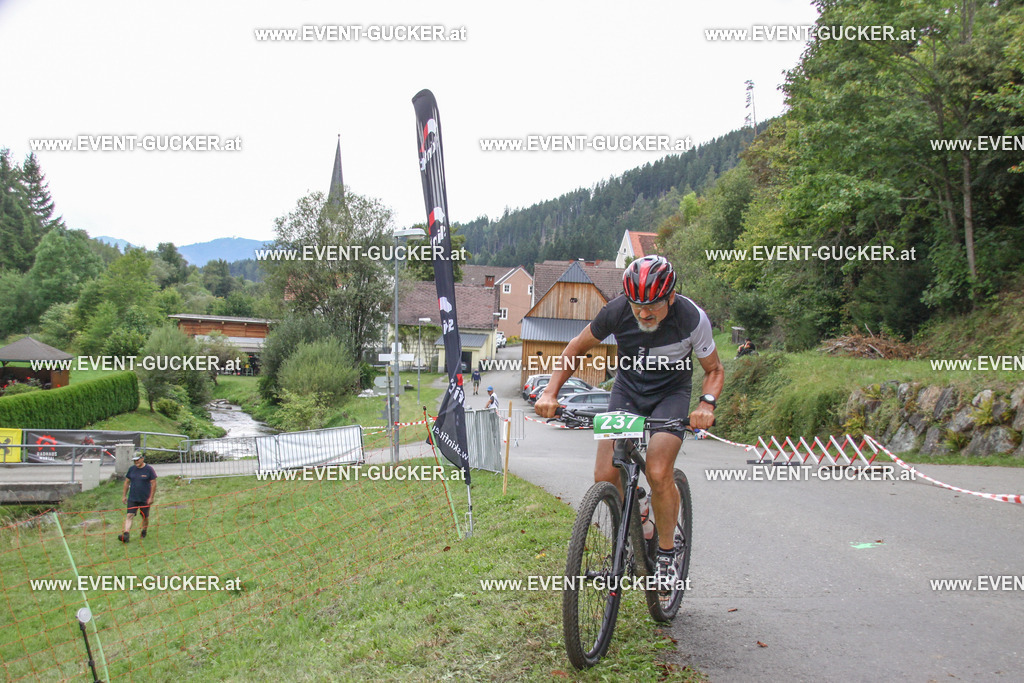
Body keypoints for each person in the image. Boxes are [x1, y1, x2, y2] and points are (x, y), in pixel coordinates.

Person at [534, 255, 723, 589]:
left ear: (671, 297)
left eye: (653, 306)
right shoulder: (617, 312)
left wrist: (706, 404)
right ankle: (637, 512)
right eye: (637, 306)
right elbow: (576, 347)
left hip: (670, 393)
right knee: (605, 474)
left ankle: (666, 556)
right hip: (629, 391)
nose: (644, 314)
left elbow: (714, 370)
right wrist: (550, 391)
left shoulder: (692, 318)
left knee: (659, 470)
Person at [119, 453, 157, 543]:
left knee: (144, 516)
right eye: (134, 460)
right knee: (129, 515)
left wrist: (151, 497)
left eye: (137, 459)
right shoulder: (131, 469)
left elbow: (154, 483)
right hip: (133, 497)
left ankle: (144, 531)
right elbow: (127, 482)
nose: (136, 462)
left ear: (142, 458)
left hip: (145, 498)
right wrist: (124, 495)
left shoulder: (149, 469)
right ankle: (126, 534)